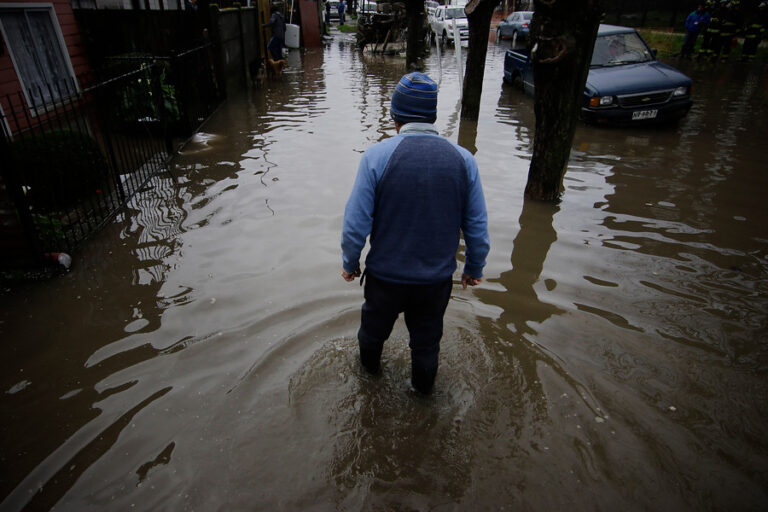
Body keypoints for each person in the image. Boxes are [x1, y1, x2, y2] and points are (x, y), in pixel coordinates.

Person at [341, 72, 490, 395]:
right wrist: (474, 267)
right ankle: (424, 405)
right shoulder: (464, 160)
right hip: (434, 281)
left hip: (385, 279)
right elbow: (476, 225)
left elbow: (356, 224)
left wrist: (350, 262)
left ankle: (368, 392)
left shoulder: (377, 157)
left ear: (395, 115)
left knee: (371, 336)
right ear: (433, 116)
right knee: (426, 345)